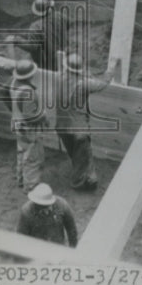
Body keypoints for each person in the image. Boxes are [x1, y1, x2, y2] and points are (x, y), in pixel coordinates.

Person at [54, 51, 113, 192]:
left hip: (62, 126)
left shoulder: (59, 77)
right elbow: (103, 83)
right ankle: (79, 184)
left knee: (76, 155)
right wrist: (111, 68)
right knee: (83, 157)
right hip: (78, 130)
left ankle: (86, 176)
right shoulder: (83, 84)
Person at [9, 57, 51, 191]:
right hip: (28, 129)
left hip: (17, 124)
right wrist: (43, 115)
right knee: (33, 158)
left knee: (22, 152)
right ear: (30, 74)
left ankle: (21, 180)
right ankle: (31, 187)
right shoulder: (27, 92)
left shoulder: (14, 84)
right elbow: (30, 117)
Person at [16, 183, 78, 248]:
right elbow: (21, 237)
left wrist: (73, 248)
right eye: (39, 205)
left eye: (45, 206)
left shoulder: (62, 205)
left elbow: (72, 230)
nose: (42, 208)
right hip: (36, 250)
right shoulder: (27, 211)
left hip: (57, 247)